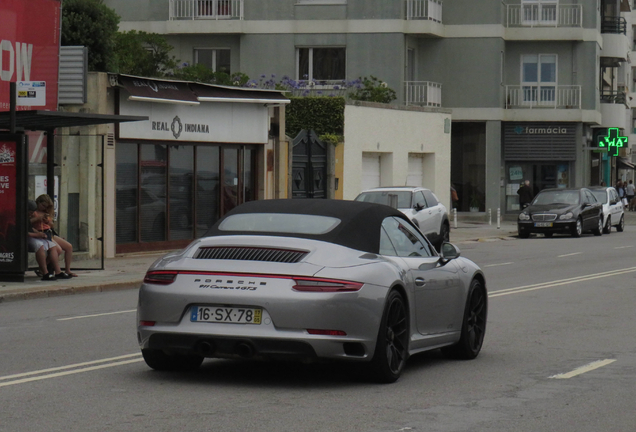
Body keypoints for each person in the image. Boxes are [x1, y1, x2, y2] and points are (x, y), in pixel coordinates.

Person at [32, 194, 77, 278]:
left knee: (68, 247)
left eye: (46, 207)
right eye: (43, 206)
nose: (44, 208)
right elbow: (30, 223)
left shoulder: (46, 213)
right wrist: (38, 219)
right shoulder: (34, 213)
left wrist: (48, 222)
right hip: (41, 232)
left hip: (49, 232)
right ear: (38, 202)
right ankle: (47, 269)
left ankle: (67, 269)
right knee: (58, 249)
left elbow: (52, 225)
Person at [27, 200, 65, 281]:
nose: (31, 214)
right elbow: (24, 232)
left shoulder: (29, 217)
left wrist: (40, 234)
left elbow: (31, 229)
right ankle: (45, 272)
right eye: (30, 212)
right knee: (39, 245)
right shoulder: (22, 218)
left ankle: (58, 271)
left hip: (37, 234)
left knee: (52, 246)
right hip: (26, 238)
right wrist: (37, 234)